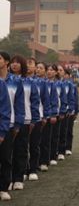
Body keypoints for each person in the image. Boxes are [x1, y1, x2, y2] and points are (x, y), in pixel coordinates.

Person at [10, 54, 40, 191]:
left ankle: (18, 178)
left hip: (25, 119)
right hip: (8, 120)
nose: (14, 64)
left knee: (21, 149)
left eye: (17, 62)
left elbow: (34, 102)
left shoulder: (29, 82)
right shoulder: (6, 80)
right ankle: (8, 178)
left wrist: (34, 119)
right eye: (12, 62)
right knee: (7, 152)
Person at [0, 51, 24, 201]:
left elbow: (16, 105)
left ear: (6, 62)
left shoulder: (13, 81)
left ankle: (4, 186)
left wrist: (17, 123)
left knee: (6, 157)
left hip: (7, 124)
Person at [38, 62, 58, 173]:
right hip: (35, 116)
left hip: (46, 115)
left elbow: (53, 100)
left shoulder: (50, 84)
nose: (38, 70)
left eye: (41, 68)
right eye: (37, 67)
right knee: (35, 142)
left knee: (45, 139)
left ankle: (44, 161)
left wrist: (53, 114)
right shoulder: (32, 82)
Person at [0, 52, 13, 201]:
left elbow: (5, 110)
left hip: (1, 129)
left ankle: (3, 188)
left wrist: (2, 132)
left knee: (4, 158)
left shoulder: (1, 84)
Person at [64, 68, 79, 156]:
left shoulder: (73, 86)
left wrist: (76, 111)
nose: (64, 76)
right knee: (62, 131)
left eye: (66, 74)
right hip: (62, 111)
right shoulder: (58, 84)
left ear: (69, 76)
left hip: (71, 111)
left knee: (69, 130)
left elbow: (76, 99)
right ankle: (61, 148)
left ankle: (68, 148)